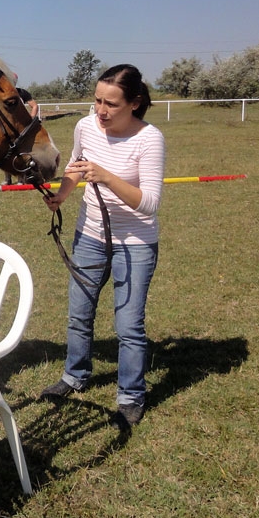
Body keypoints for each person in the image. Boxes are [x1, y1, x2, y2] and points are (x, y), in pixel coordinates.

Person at [38, 64, 165, 427]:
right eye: (97, 101)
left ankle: (130, 396)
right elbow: (77, 166)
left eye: (111, 104)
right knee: (79, 314)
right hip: (89, 236)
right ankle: (74, 376)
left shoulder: (149, 139)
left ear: (135, 103)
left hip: (135, 244)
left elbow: (150, 203)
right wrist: (62, 195)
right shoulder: (86, 127)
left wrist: (107, 177)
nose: (101, 111)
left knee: (129, 326)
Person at [3, 87, 40, 186]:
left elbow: (34, 106)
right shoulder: (3, 92)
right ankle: (7, 179)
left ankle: (20, 179)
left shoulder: (22, 93)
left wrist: (30, 120)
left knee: (20, 152)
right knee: (6, 152)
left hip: (20, 128)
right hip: (7, 126)